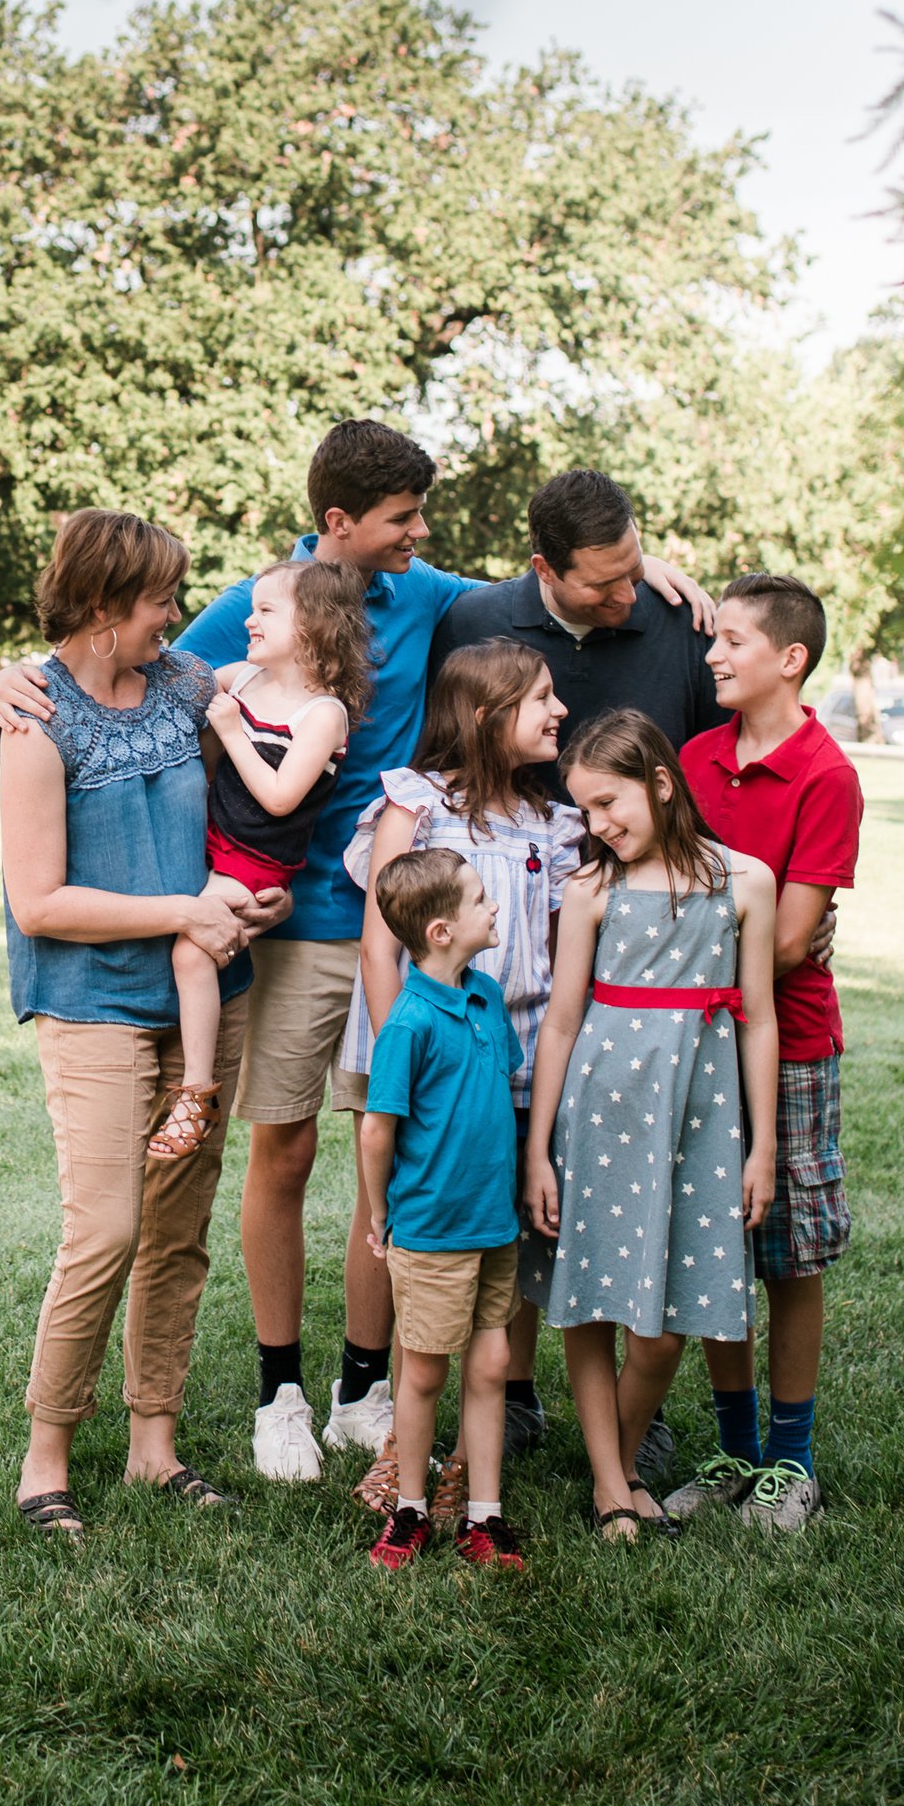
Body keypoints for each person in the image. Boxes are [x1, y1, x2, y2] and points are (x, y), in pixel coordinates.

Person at [0, 421, 712, 1485]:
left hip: (403, 924)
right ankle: (278, 1390)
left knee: (409, 1149)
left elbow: (543, 572)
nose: (420, 535)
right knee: (281, 1153)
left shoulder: (431, 592)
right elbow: (132, 653)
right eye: (402, 520)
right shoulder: (264, 595)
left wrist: (642, 567)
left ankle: (362, 1388)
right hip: (279, 930)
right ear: (340, 524)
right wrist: (19, 675)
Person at [0, 507, 290, 1537]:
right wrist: (184, 912)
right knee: (105, 1230)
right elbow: (39, 902)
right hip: (92, 1005)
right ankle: (48, 1454)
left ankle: (153, 1443)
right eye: (161, 598)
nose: (177, 613)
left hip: (209, 998)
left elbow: (257, 807)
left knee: (177, 1231)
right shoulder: (38, 723)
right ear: (100, 605)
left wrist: (259, 897)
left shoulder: (186, 687)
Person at [525, 710, 778, 1543]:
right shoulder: (591, 891)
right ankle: (611, 1487)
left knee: (664, 1333)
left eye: (609, 802)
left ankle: (621, 1458)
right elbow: (561, 1022)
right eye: (586, 811)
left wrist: (763, 1146)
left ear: (660, 783)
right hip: (601, 1115)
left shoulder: (744, 883)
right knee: (595, 1302)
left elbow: (760, 1020)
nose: (598, 825)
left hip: (700, 1123)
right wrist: (540, 1151)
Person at [342, 639, 583, 1507]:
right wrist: (399, 1053)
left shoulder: (554, 823)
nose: (560, 711)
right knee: (428, 1238)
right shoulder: (418, 804)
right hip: (433, 1062)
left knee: (501, 1241)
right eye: (541, 698)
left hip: (517, 1060)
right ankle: (404, 1440)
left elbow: (560, 952)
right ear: (486, 715)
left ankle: (468, 1454)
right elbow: (379, 943)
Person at [671, 572, 862, 1533]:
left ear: (788, 658)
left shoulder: (827, 774)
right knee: (715, 1242)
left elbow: (788, 944)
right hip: (697, 1037)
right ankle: (732, 1446)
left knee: (787, 1252)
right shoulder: (695, 759)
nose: (713, 654)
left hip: (790, 1045)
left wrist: (698, 926)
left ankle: (792, 1458)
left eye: (733, 640)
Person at [147, 555, 369, 1164]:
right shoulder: (242, 679)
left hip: (255, 862)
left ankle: (196, 1092)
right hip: (206, 843)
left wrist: (230, 729)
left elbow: (278, 798)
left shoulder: (323, 713)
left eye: (267, 610)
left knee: (191, 950)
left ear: (315, 625)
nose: (250, 620)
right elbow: (162, 677)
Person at [358, 845, 529, 1571]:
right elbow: (377, 1128)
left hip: (494, 1224)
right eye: (481, 899)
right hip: (431, 1229)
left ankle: (482, 1518)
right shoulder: (407, 1022)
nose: (494, 908)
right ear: (439, 931)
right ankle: (410, 1510)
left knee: (490, 1365)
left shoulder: (485, 999)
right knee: (424, 1373)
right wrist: (378, 1214)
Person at [428, 468, 729, 772]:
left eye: (634, 570)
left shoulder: (686, 622)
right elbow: (446, 759)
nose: (628, 596)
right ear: (545, 570)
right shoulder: (469, 625)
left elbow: (723, 760)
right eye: (602, 584)